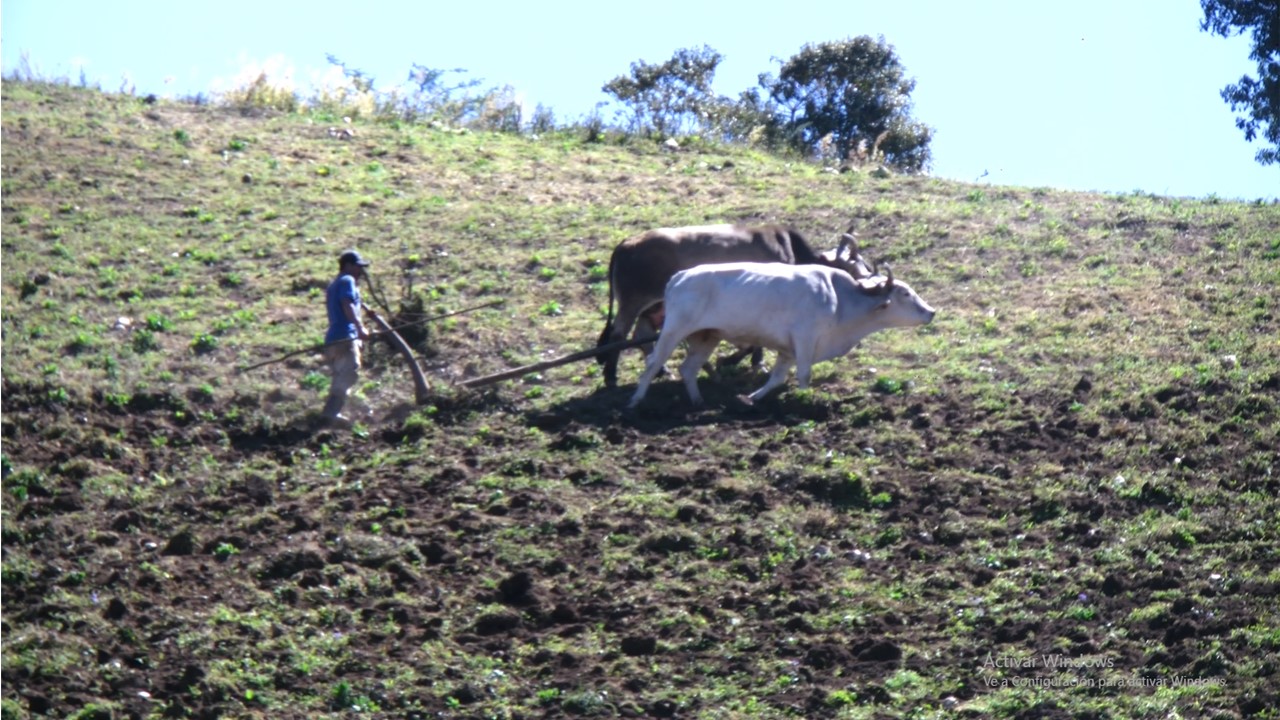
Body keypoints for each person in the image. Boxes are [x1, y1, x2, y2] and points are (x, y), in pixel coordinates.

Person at [322, 249, 373, 424]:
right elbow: (347, 304)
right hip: (345, 336)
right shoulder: (347, 280)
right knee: (350, 371)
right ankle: (331, 412)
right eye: (358, 266)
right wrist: (359, 328)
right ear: (348, 265)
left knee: (340, 374)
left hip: (333, 339)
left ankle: (329, 414)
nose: (360, 271)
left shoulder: (334, 284)